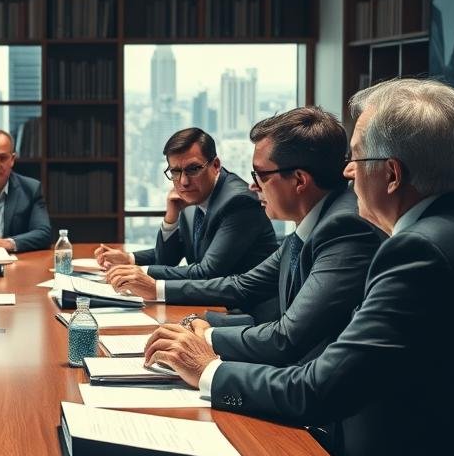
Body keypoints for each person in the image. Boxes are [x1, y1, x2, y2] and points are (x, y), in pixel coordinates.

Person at [145, 79, 454, 456]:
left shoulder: (418, 251)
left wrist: (207, 370)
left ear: (391, 173)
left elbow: (318, 389)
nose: (347, 172)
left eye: (357, 157)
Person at [111, 108, 383, 365]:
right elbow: (243, 284)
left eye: (261, 174)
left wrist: (205, 337)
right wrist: (197, 320)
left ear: (300, 180)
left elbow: (287, 338)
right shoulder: (313, 222)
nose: (253, 185)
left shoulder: (344, 227)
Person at [96, 128, 278, 319]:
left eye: (193, 169)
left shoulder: (239, 202)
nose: (183, 181)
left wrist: (140, 273)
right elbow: (167, 260)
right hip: (210, 305)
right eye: (175, 171)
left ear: (215, 165)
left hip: (248, 315)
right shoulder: (195, 196)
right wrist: (169, 219)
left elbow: (207, 272)